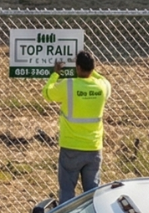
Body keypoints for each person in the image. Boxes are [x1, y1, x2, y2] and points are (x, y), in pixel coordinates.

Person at [42, 49, 112, 204]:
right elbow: (103, 80)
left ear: (77, 68)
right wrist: (93, 72)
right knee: (92, 195)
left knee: (67, 192)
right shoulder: (103, 87)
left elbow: (47, 93)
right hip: (93, 147)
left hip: (70, 147)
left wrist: (55, 73)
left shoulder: (69, 85)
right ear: (93, 68)